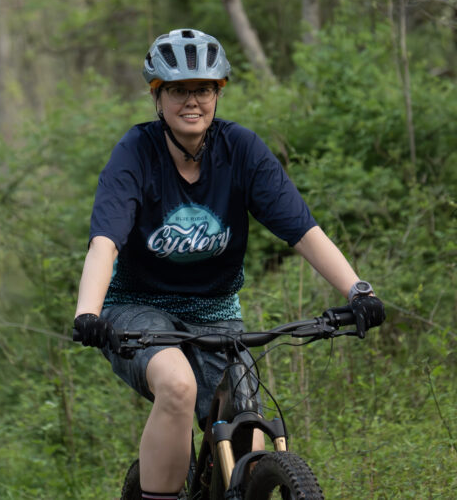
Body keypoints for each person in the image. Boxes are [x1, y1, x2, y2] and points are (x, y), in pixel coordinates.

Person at [73, 29, 385, 500]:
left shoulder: (240, 149)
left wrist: (358, 291)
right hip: (137, 308)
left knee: (244, 419)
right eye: (177, 90)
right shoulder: (136, 153)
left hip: (217, 309)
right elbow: (105, 242)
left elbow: (302, 231)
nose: (191, 100)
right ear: (158, 97)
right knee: (177, 386)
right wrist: (88, 313)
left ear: (218, 92)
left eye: (202, 88)